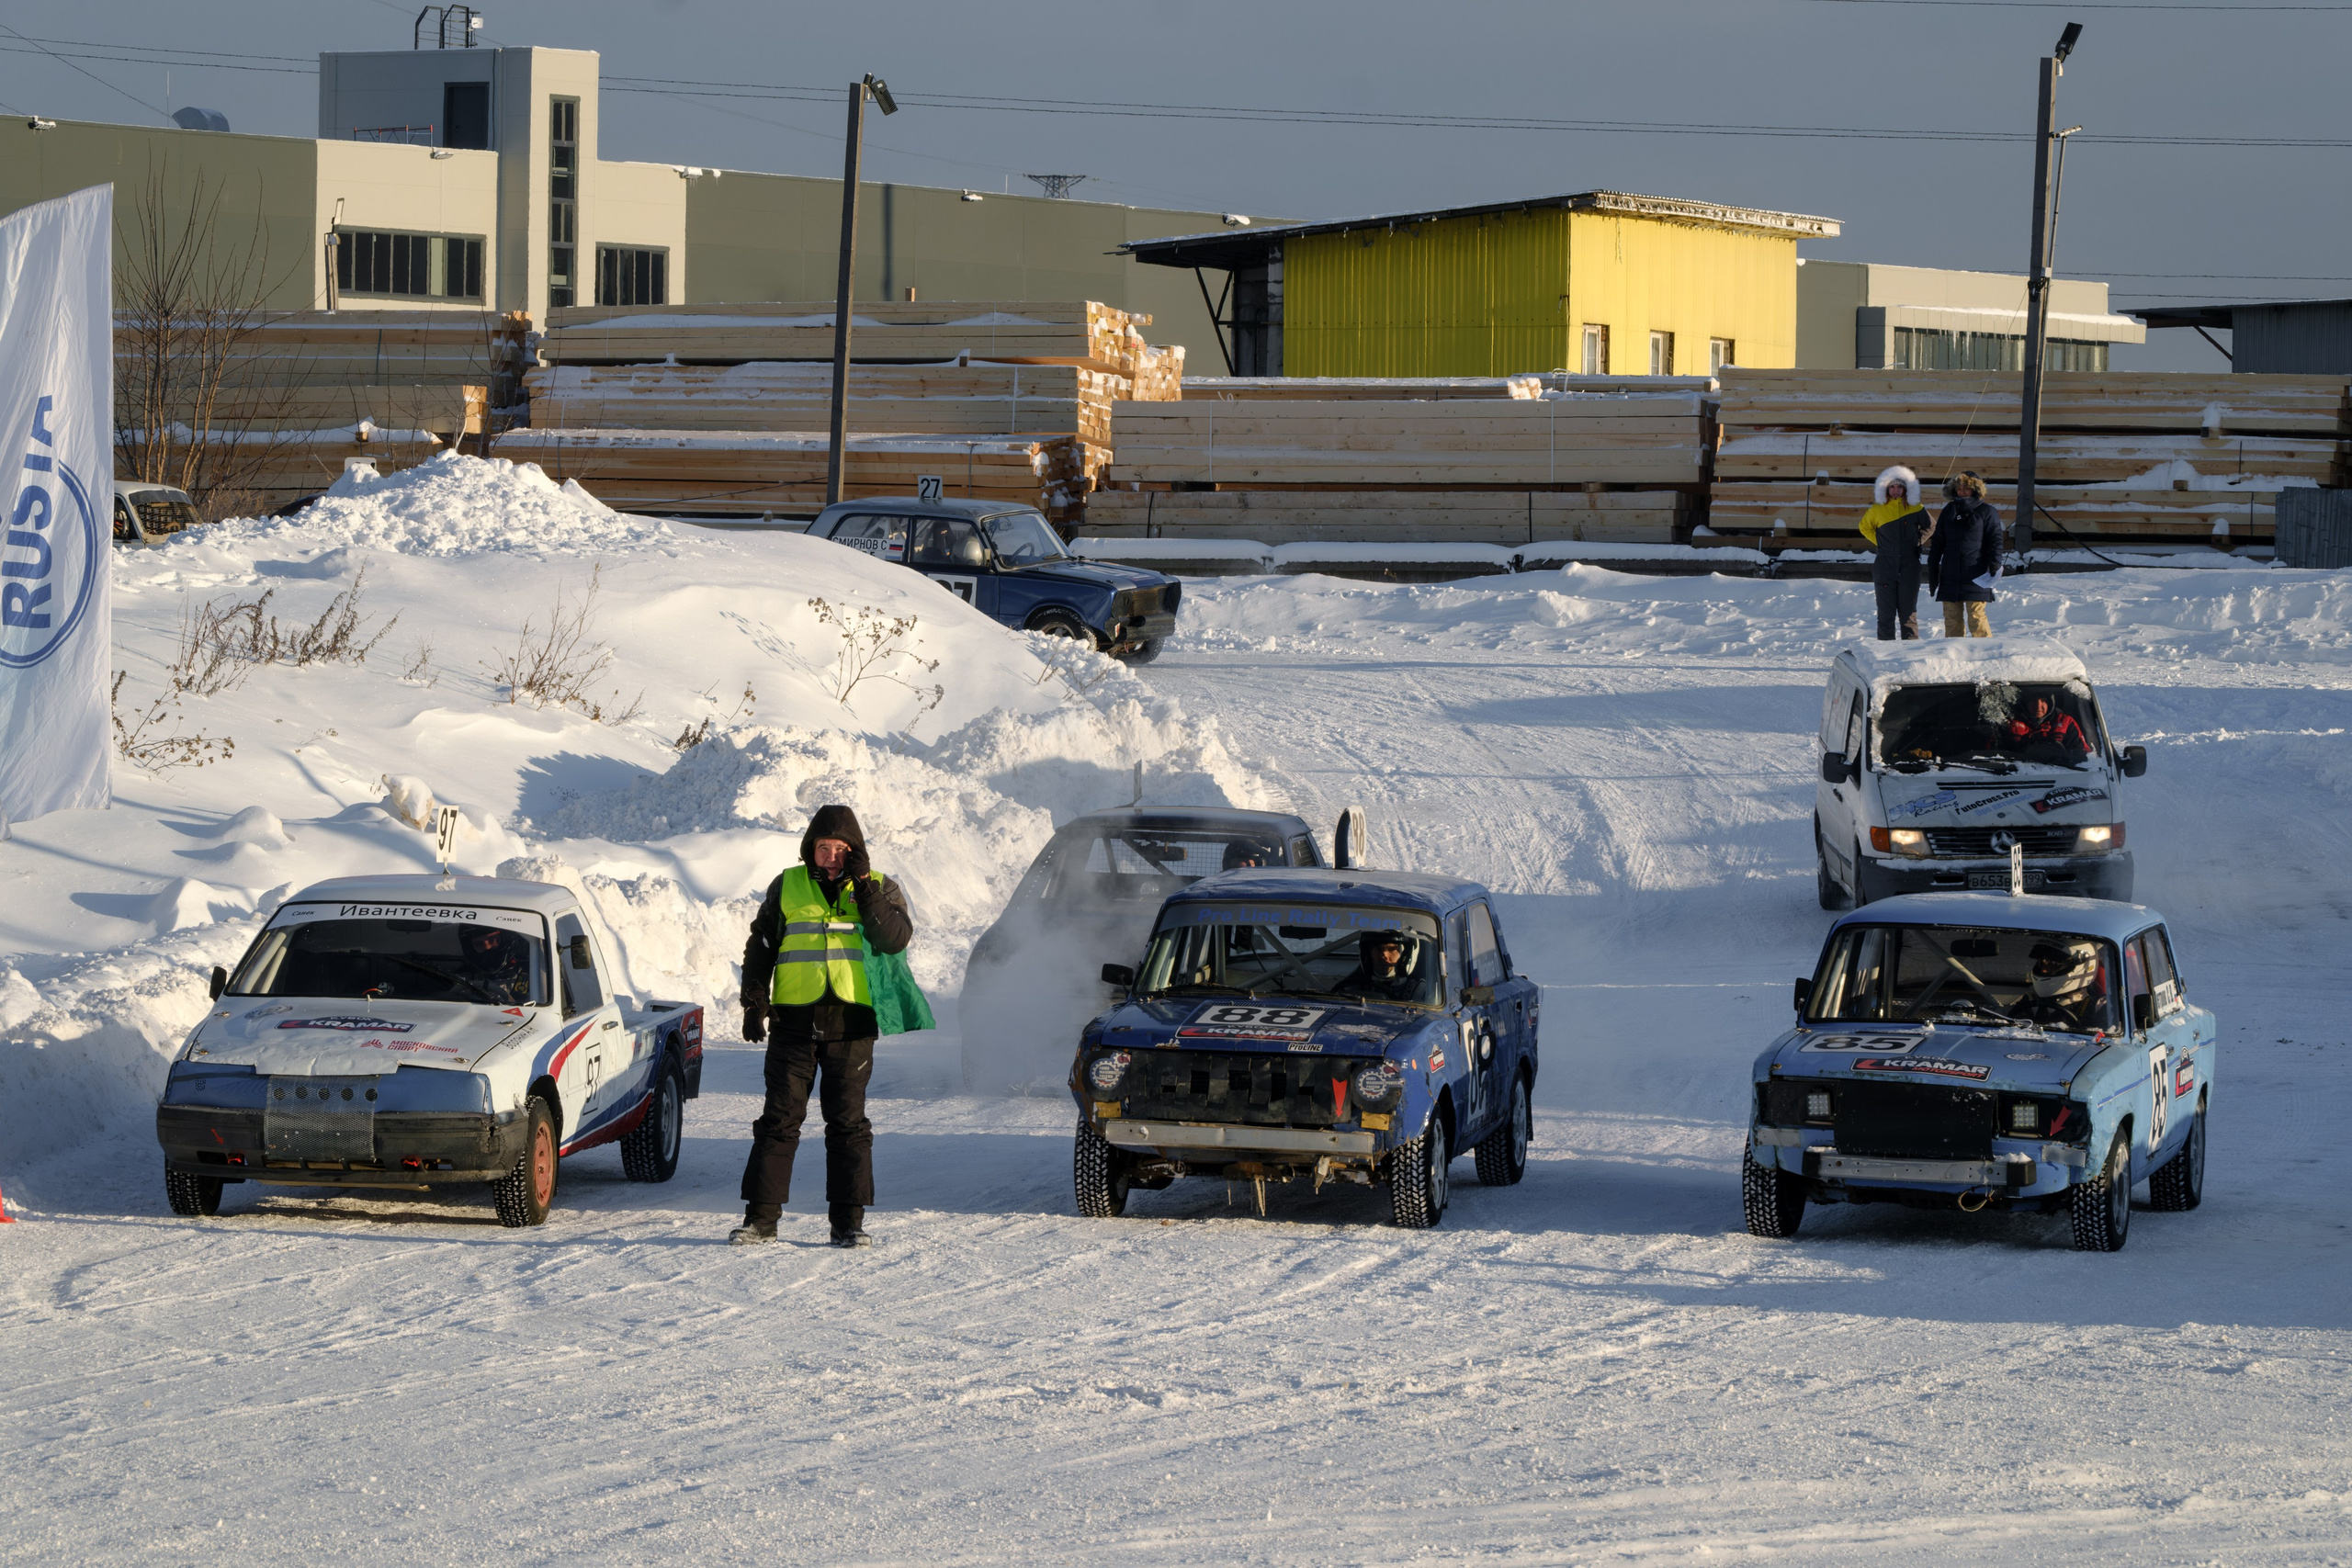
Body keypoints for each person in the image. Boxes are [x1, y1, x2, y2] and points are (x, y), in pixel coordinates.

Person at [731, 804, 914, 1248]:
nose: (832, 855)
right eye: (824, 847)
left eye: (841, 848)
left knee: (848, 1125)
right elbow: (762, 944)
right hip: (794, 1021)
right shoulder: (786, 885)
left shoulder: (880, 886)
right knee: (778, 1121)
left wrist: (865, 888)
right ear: (810, 849)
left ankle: (848, 1224)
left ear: (855, 851)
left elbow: (894, 938)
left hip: (852, 1025)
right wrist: (755, 1000)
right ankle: (761, 1220)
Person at [1859, 465, 1932, 640]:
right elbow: (1864, 528)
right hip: (1885, 567)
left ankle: (1909, 656)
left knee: (1908, 615)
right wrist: (1883, 544)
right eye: (1892, 487)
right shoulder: (1877, 509)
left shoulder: (1916, 508)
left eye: (1900, 487)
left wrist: (1917, 542)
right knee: (1886, 615)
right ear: (1885, 488)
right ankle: (1885, 655)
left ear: (1907, 489)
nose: (1896, 490)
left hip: (1910, 567)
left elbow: (1931, 526)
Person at [1930, 472, 2003, 638]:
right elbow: (1938, 542)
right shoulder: (1948, 511)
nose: (1962, 492)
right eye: (1959, 489)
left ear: (1975, 490)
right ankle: (1954, 653)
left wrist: (1995, 562)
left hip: (1976, 572)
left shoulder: (1987, 511)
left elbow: (1995, 540)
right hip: (1950, 573)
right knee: (1951, 618)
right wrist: (1933, 567)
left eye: (1966, 489)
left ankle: (1985, 652)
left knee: (1976, 617)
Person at [2017, 940, 2109, 1031]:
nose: (2044, 970)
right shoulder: (2032, 999)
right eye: (2043, 963)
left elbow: (2102, 1040)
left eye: (2054, 965)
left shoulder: (2098, 1006)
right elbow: (2010, 1029)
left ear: (2082, 968)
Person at [2001, 692, 2094, 764]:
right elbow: (1994, 753)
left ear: (2050, 702)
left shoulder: (2066, 722)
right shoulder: (2010, 723)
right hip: (2017, 774)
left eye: (2043, 700)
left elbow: (2082, 755)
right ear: (2025, 703)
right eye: (2032, 700)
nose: (2038, 706)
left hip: (2060, 773)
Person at [456, 925, 535, 1006]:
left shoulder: (535, 977)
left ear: (504, 939)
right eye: (479, 943)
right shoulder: (461, 979)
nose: (487, 947)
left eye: (492, 940)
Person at [1340, 931, 1423, 1003]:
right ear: (1368, 954)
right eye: (1378, 949)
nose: (1384, 956)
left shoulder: (1421, 993)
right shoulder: (1352, 987)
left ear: (1406, 955)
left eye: (1392, 949)